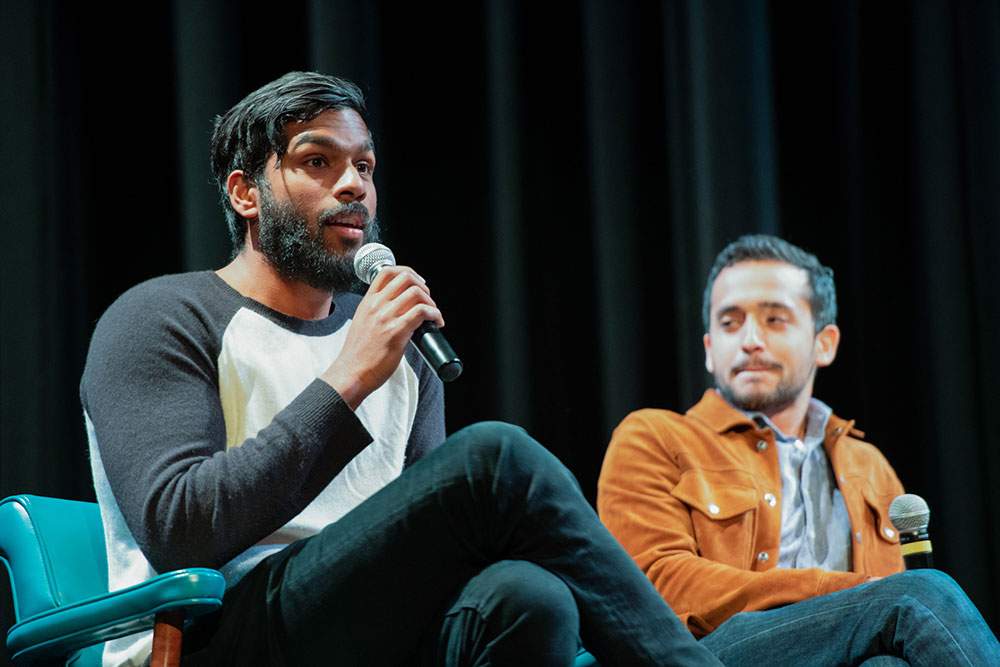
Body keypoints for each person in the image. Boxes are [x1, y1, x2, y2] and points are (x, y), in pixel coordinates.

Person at [80, 71, 720, 667]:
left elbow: (430, 532)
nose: (353, 184)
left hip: (367, 621)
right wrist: (349, 377)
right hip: (216, 625)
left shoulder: (398, 342)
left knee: (527, 597)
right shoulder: (162, 316)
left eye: (364, 165)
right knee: (493, 459)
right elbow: (180, 529)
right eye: (317, 161)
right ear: (247, 192)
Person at [598, 234, 999, 665]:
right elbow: (654, 586)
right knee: (920, 594)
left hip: (845, 651)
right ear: (710, 351)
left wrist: (872, 601)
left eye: (775, 320)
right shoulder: (654, 435)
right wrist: (834, 591)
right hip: (707, 654)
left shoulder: (869, 466)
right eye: (730, 323)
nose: (750, 339)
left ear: (823, 343)